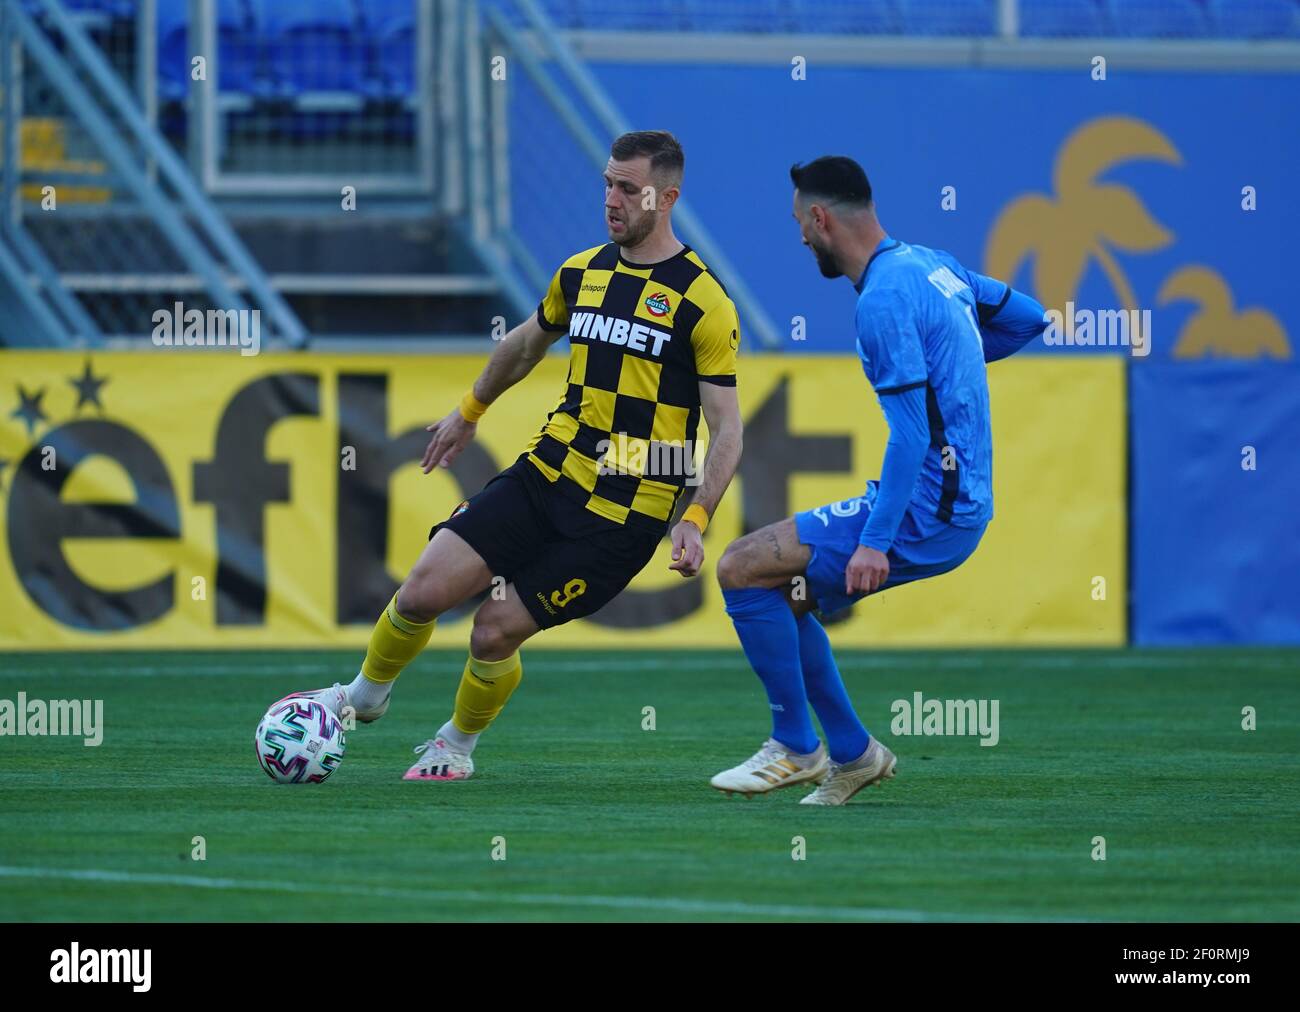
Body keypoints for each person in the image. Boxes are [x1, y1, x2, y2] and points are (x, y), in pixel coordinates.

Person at [290, 130, 743, 781]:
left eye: (627, 188)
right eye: (607, 184)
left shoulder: (703, 302)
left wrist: (696, 518)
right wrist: (469, 410)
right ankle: (364, 695)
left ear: (666, 196)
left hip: (622, 514)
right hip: (547, 475)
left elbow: (728, 428)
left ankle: (456, 744)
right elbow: (527, 345)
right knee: (421, 591)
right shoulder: (582, 272)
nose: (611, 199)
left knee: (493, 630)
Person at [709, 155, 1046, 805]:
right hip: (957, 501)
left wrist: (874, 543)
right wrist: (960, 360)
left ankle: (795, 748)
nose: (800, 239)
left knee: (740, 566)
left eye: (799, 225)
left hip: (931, 509)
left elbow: (913, 436)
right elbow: (1028, 317)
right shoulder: (934, 264)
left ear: (819, 216)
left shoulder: (884, 299)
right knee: (787, 593)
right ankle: (853, 754)